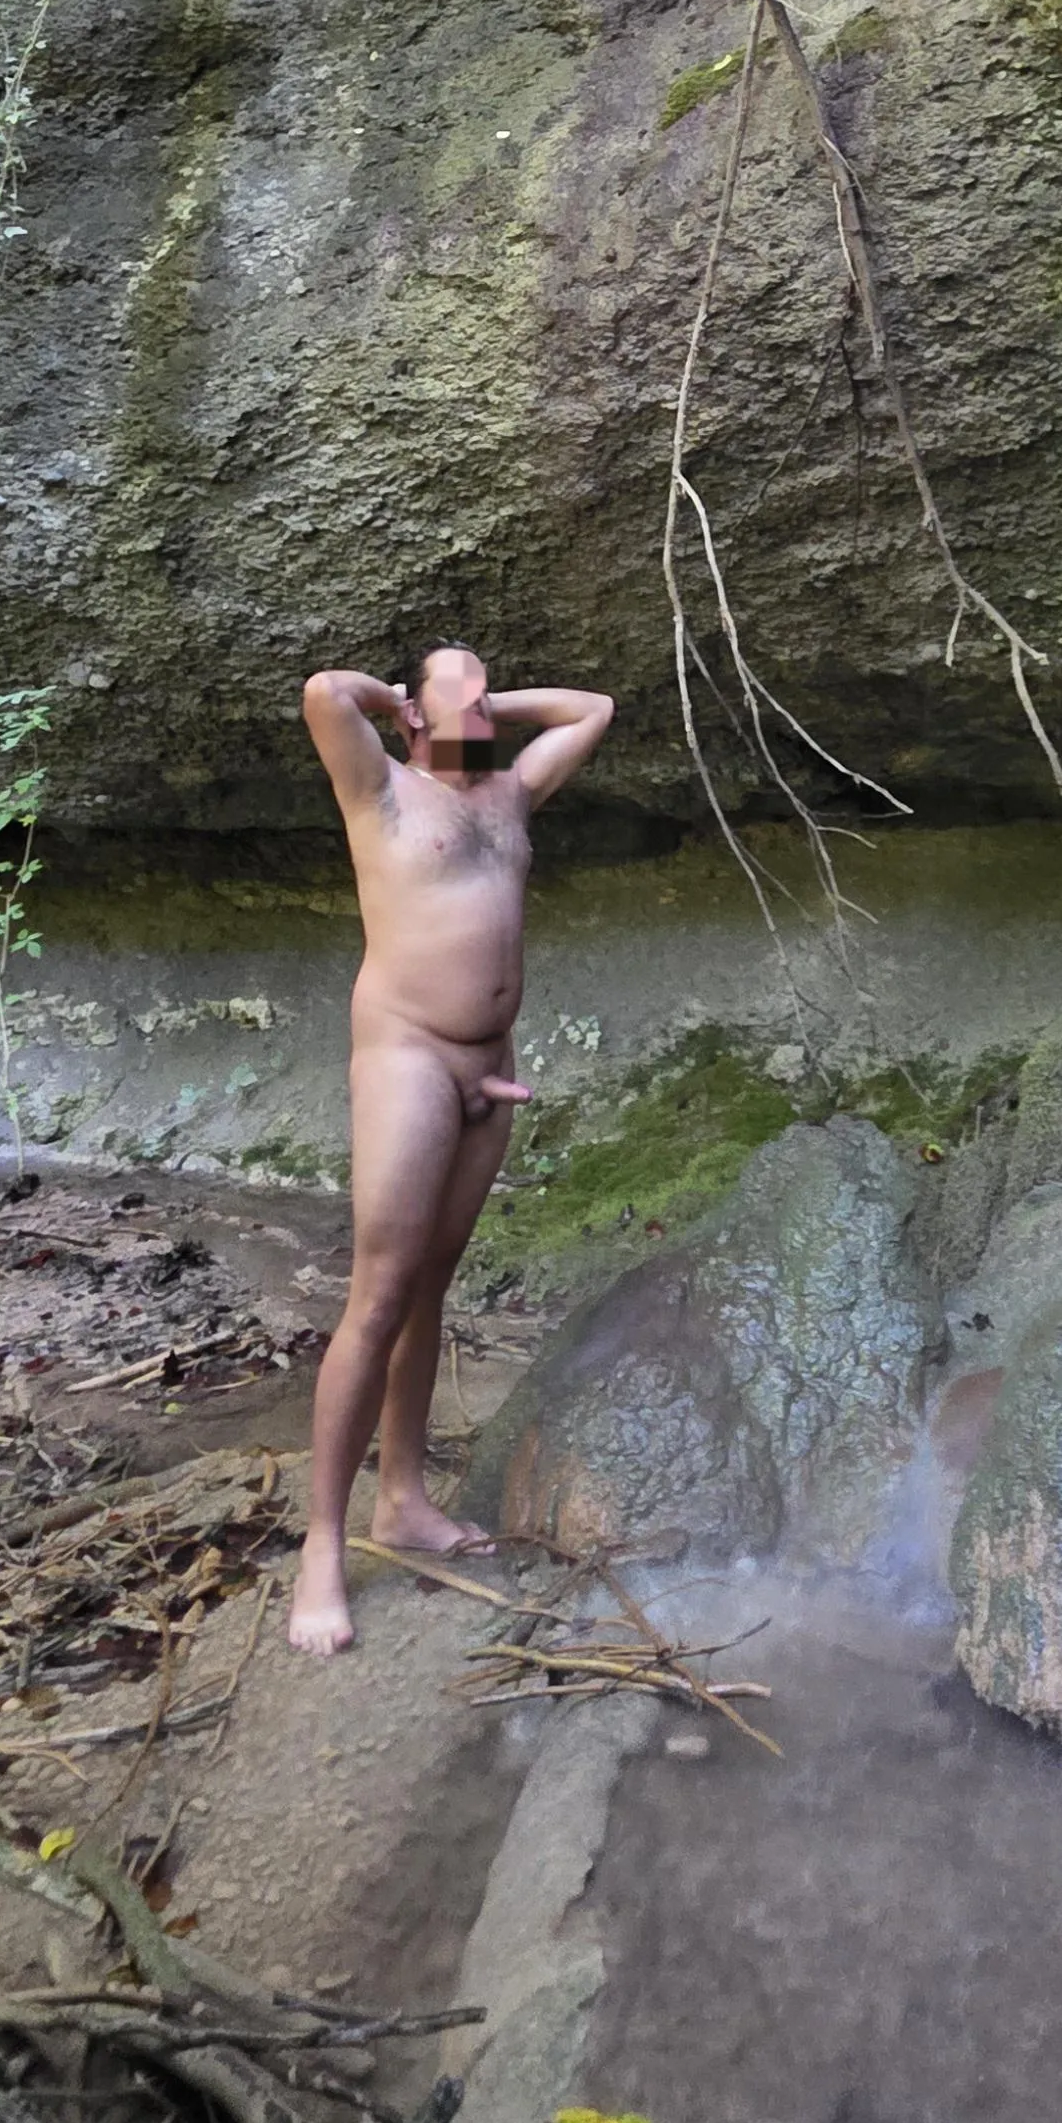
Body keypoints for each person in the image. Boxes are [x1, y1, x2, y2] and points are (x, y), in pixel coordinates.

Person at [288, 645, 614, 1656]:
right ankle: (323, 1547)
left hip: (492, 1064)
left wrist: (479, 701)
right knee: (380, 1293)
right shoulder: (381, 785)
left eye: (487, 681)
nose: (478, 693)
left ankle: (404, 1500)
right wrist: (406, 706)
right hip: (409, 1056)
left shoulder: (512, 794)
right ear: (415, 713)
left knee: (432, 1287)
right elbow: (323, 694)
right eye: (456, 681)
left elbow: (594, 705)